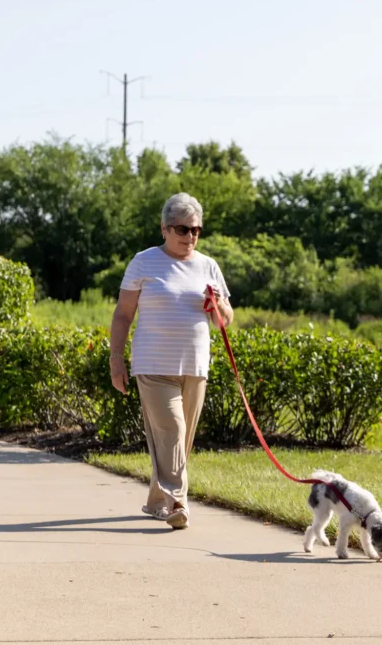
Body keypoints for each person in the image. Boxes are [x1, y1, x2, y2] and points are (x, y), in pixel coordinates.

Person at [108, 192, 233, 530]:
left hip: (195, 367)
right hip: (153, 365)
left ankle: (156, 501)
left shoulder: (208, 265)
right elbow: (123, 315)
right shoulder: (144, 262)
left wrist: (217, 307)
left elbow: (227, 317)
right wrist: (116, 360)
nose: (189, 236)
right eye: (182, 229)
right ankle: (177, 504)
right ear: (164, 228)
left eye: (196, 230)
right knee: (171, 431)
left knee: (179, 441)